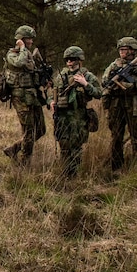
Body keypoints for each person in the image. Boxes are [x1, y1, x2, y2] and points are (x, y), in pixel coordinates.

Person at [101, 36, 137, 171]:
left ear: (133, 50)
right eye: (120, 50)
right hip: (117, 104)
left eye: (125, 50)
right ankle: (116, 166)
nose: (122, 52)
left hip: (135, 104)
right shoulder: (114, 65)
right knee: (116, 136)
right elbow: (104, 81)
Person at [52, 47, 103, 177]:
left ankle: (74, 175)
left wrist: (85, 84)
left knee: (76, 147)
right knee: (63, 144)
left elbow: (99, 93)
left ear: (79, 60)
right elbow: (53, 94)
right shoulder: (60, 76)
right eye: (67, 59)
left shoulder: (87, 76)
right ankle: (64, 173)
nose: (69, 62)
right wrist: (51, 101)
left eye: (72, 59)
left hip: (78, 116)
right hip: (62, 116)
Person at [2, 25, 48, 165]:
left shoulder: (29, 55)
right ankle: (24, 163)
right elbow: (19, 63)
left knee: (40, 129)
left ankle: (14, 149)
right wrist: (22, 47)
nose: (31, 42)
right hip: (20, 97)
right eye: (28, 39)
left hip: (32, 96)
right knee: (28, 131)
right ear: (21, 39)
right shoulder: (13, 54)